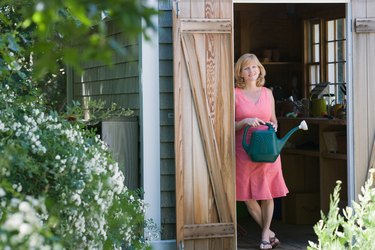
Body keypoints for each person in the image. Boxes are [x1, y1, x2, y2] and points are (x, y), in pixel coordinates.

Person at [234, 53, 289, 250]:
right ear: (240, 72)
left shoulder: (268, 93)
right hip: (244, 151)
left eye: (255, 67)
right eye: (247, 68)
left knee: (267, 194)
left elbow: (274, 119)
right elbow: (226, 126)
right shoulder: (234, 94)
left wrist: (274, 125)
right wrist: (244, 122)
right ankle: (270, 232)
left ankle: (265, 234)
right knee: (248, 197)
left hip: (267, 150)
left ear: (260, 70)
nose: (251, 71)